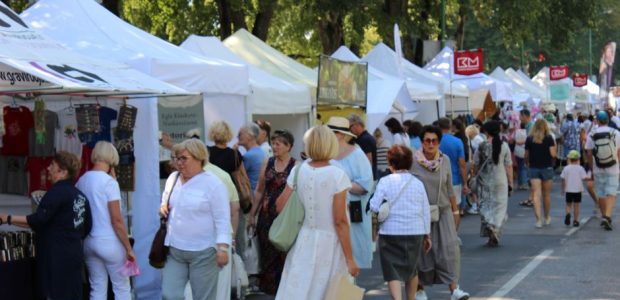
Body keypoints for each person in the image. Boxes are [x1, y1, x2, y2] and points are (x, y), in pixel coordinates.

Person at [274, 125, 359, 300]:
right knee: (330, 293)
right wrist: (350, 258)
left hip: (304, 239)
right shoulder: (338, 175)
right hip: (331, 244)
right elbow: (340, 220)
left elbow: (279, 205)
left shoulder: (298, 170)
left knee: (300, 290)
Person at [0, 152, 91, 299]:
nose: (48, 168)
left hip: (55, 257)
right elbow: (86, 227)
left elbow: (38, 220)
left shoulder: (56, 193)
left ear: (62, 172)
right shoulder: (81, 196)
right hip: (74, 255)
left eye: (52, 165)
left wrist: (7, 218)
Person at [159, 139, 231, 300]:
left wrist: (222, 249)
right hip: (175, 249)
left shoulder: (213, 184)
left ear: (199, 158)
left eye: (184, 158)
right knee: (169, 294)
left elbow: (222, 219)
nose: (179, 163)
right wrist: (162, 207)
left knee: (203, 297)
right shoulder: (173, 178)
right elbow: (165, 201)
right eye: (177, 158)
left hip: (204, 252)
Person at [410, 125, 470, 300]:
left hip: (442, 210)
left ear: (438, 142)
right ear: (422, 142)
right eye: (427, 140)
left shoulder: (444, 161)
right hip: (420, 213)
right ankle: (420, 289)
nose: (430, 144)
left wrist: (456, 210)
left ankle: (454, 289)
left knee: (450, 249)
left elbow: (449, 187)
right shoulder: (413, 162)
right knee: (422, 253)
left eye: (434, 140)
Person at [369, 145, 431, 300]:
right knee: (412, 269)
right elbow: (425, 210)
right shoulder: (418, 183)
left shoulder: (384, 181)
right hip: (415, 231)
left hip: (390, 231)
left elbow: (374, 206)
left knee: (392, 270)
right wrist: (427, 235)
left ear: (391, 163)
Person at [76, 141, 135, 300]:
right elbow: (116, 219)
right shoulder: (110, 183)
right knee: (122, 288)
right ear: (112, 158)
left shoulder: (81, 180)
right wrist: (128, 248)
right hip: (110, 241)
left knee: (97, 288)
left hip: (88, 242)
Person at [248, 130, 297, 294]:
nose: (274, 147)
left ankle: (285, 290)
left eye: (278, 144)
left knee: (283, 253)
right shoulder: (267, 163)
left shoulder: (295, 166)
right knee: (267, 253)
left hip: (285, 216)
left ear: (288, 146)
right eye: (273, 143)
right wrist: (252, 214)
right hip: (266, 215)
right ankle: (270, 292)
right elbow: (260, 190)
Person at [328, 116, 374, 269]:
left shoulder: (357, 154)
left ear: (340, 134)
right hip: (330, 210)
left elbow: (365, 185)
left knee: (352, 254)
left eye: (331, 132)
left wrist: (341, 184)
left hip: (353, 210)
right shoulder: (325, 154)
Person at [207, 121, 248, 254]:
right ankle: (233, 252)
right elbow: (243, 177)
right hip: (231, 194)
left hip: (211, 193)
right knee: (232, 225)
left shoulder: (207, 153)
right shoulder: (235, 154)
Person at [472, 121, 513, 246]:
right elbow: (508, 166)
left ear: (486, 132)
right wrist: (511, 182)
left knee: (486, 205)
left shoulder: (481, 146)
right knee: (500, 207)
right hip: (500, 181)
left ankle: (490, 227)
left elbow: (475, 164)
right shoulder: (504, 146)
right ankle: (494, 227)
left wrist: (476, 175)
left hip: (484, 181)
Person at [585, 111, 620, 231]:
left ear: (597, 121)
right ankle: (607, 216)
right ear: (608, 120)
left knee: (601, 193)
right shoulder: (616, 133)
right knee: (611, 193)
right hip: (613, 167)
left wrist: (591, 167)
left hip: (598, 167)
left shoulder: (592, 134)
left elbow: (588, 153)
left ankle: (604, 215)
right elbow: (619, 152)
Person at [525, 119, 557, 228]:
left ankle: (538, 220)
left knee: (536, 194)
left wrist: (527, 163)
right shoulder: (549, 138)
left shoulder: (529, 139)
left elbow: (526, 155)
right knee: (546, 194)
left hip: (534, 168)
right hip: (547, 167)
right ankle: (547, 217)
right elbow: (553, 154)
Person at [437, 118, 469, 223]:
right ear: (450, 127)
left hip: (437, 180)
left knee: (440, 211)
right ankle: (454, 234)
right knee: (455, 210)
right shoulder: (457, 141)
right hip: (454, 180)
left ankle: (443, 234)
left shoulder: (434, 142)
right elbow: (462, 165)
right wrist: (465, 183)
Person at [561, 150, 588, 227]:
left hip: (568, 190)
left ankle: (568, 214)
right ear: (578, 159)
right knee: (577, 205)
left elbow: (562, 179)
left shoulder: (566, 168)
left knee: (568, 204)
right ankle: (575, 220)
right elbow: (584, 178)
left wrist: (563, 189)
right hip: (578, 190)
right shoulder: (580, 168)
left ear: (569, 159)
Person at [348, 113, 378, 179]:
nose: (349, 130)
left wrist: (365, 179)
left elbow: (368, 160)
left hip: (366, 177)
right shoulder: (365, 137)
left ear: (357, 124)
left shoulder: (365, 139)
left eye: (350, 127)